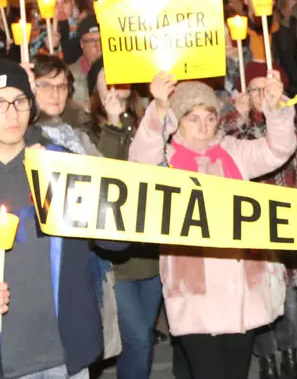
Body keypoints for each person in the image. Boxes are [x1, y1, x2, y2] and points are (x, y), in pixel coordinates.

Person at [0, 59, 125, 379]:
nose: (12, 113)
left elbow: (116, 241)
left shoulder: (63, 164)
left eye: (20, 101)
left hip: (65, 354)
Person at [128, 73, 297, 379]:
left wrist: (276, 110)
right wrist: (159, 108)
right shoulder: (165, 159)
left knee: (235, 373)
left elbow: (277, 151)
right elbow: (139, 163)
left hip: (240, 291)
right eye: (192, 119)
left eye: (209, 117)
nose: (203, 127)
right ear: (177, 121)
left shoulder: (234, 151)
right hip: (195, 293)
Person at [224, 64, 297, 379]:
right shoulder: (236, 127)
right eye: (252, 89)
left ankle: (289, 355)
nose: (259, 95)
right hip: (251, 226)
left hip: (287, 224)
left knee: (288, 298)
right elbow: (220, 156)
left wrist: (286, 121)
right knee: (256, 296)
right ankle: (265, 358)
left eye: (264, 87)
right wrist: (237, 119)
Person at [84, 58, 162, 379]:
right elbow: (103, 177)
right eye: (108, 81)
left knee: (142, 338)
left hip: (150, 250)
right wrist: (113, 125)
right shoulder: (84, 129)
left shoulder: (148, 122)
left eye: (122, 79)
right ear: (95, 88)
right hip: (114, 259)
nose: (116, 88)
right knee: (139, 340)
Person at [244, 0, 297, 97]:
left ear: (273, 2)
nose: (260, 3)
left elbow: (294, 82)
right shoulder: (236, 35)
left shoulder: (284, 36)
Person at [67, 15, 102, 106]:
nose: (98, 47)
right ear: (81, 44)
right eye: (91, 41)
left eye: (102, 40)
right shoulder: (69, 76)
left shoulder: (120, 73)